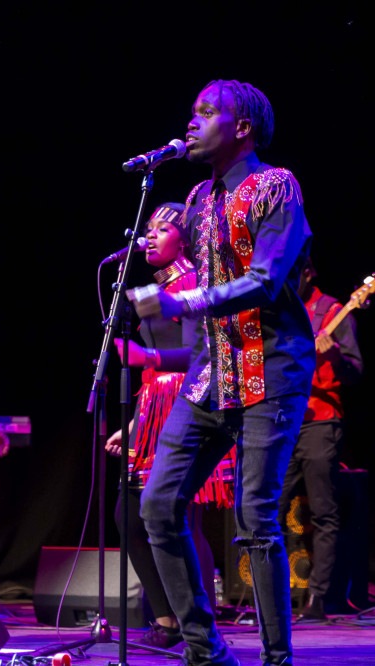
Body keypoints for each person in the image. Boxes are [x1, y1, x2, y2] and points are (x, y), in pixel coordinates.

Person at [128, 79, 314, 666]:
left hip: (270, 371)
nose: (192, 121)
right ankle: (205, 650)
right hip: (211, 376)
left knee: (255, 517)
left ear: (242, 128)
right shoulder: (200, 199)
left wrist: (182, 303)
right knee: (158, 505)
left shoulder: (275, 186)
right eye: (192, 112)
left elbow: (266, 279)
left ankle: (277, 658)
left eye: (207, 112)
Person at [106, 203, 235, 650]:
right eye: (149, 229)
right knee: (129, 516)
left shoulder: (192, 285)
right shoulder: (150, 287)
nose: (152, 236)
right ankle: (169, 617)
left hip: (190, 399)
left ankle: (198, 624)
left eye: (164, 228)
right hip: (154, 405)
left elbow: (200, 352)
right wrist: (136, 425)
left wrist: (150, 357)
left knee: (182, 515)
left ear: (185, 239)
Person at [278, 257, 363, 620]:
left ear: (309, 272)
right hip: (285, 419)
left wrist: (335, 358)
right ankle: (274, 596)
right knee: (268, 510)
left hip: (321, 422)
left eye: (294, 273)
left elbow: (356, 372)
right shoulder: (280, 310)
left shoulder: (332, 311)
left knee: (324, 512)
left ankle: (318, 599)